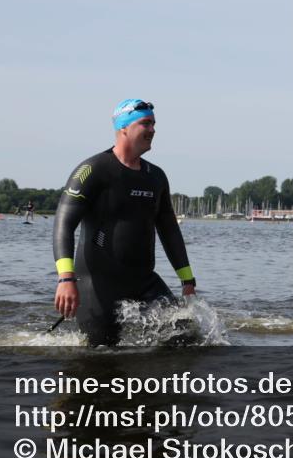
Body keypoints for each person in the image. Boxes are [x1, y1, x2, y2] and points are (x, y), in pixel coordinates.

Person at [52, 99, 196, 346]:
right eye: (146, 123)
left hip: (144, 281)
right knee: (101, 357)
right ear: (124, 128)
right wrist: (66, 279)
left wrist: (187, 280)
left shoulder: (156, 176)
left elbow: (169, 230)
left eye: (154, 124)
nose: (152, 130)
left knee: (185, 337)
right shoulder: (93, 170)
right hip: (98, 285)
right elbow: (63, 225)